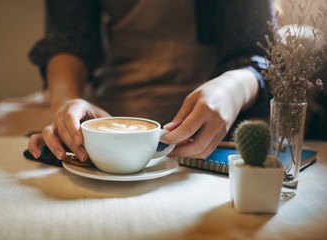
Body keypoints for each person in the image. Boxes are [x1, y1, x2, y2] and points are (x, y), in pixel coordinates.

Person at [28, 0, 274, 163]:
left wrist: (233, 89)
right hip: (104, 113)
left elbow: (257, 56)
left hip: (215, 130)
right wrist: (66, 105)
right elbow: (67, 39)